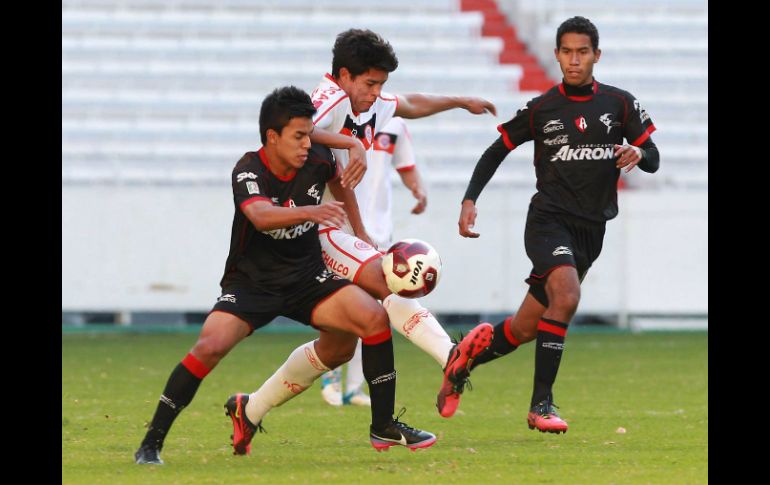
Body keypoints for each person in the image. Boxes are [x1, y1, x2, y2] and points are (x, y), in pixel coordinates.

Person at [134, 86, 435, 465]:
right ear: (272, 137)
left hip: (307, 278)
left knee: (373, 319)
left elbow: (341, 189)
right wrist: (310, 213)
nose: (307, 144)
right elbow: (260, 215)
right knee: (209, 346)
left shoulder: (319, 160)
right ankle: (151, 444)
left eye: (310, 134)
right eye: (298, 136)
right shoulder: (248, 168)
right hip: (252, 283)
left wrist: (362, 237)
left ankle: (383, 425)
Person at [455, 16, 660, 434]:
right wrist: (470, 198)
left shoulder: (619, 104)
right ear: (556, 55)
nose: (574, 59)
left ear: (596, 55)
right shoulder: (543, 107)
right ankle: (540, 406)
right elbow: (497, 149)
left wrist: (639, 155)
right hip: (548, 221)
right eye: (566, 51)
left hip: (591, 231)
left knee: (525, 327)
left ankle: (462, 358)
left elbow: (653, 155)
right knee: (565, 297)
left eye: (582, 52)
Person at [308, 29, 496, 420]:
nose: (377, 92)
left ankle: (249, 408)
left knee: (337, 345)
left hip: (336, 225)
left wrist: (460, 101)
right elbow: (299, 129)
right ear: (344, 75)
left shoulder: (369, 102)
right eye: (371, 83)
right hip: (312, 228)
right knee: (392, 280)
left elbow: (410, 103)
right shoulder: (332, 97)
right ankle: (449, 359)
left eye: (381, 84)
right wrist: (353, 144)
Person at [319, 117, 427, 407]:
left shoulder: (395, 125)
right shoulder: (344, 118)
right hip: (345, 224)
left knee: (373, 309)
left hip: (379, 228)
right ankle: (330, 377)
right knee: (342, 300)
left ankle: (354, 387)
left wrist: (417, 189)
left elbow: (406, 167)